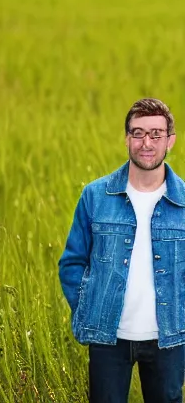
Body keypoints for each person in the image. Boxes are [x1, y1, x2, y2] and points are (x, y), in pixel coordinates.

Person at [59, 98, 185, 403]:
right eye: (138, 133)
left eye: (155, 134)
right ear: (127, 138)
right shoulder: (95, 196)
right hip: (109, 337)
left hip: (169, 340)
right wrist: (90, 309)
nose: (146, 143)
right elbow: (72, 262)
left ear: (170, 141)